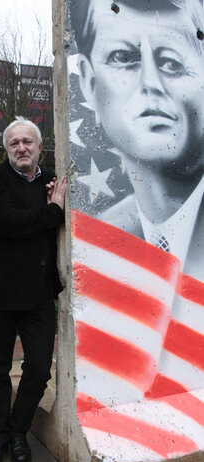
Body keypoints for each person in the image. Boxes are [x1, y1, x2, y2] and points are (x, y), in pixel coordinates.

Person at [72, 0, 204, 282]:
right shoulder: (97, 244)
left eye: (172, 62)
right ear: (89, 81)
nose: (150, 83)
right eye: (123, 57)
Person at [0, 116, 66, 462]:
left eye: (28, 142)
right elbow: (6, 223)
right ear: (6, 150)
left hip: (40, 294)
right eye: (14, 143)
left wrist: (54, 209)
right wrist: (52, 212)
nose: (21, 148)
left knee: (40, 368)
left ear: (40, 147)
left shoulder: (53, 183)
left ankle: (18, 432)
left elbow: (54, 225)